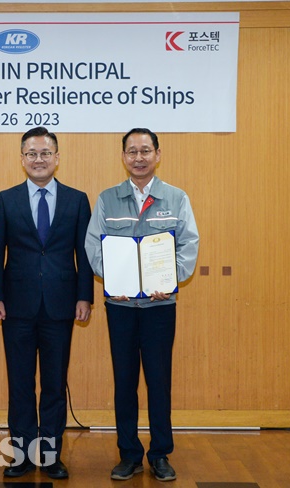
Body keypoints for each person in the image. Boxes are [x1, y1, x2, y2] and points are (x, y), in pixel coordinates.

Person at [84, 128, 199, 482]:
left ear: (157, 154)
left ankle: (160, 453)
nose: (139, 157)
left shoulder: (176, 198)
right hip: (120, 307)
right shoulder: (108, 199)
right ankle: (129, 454)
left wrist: (170, 279)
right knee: (124, 381)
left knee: (159, 381)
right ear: (123, 157)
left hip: (159, 307)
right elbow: (93, 246)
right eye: (132, 151)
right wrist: (113, 281)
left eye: (145, 150)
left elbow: (188, 245)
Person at [0, 127, 94, 480]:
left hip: (61, 306)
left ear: (57, 158)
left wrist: (84, 296)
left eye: (45, 153)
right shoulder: (6, 200)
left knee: (53, 385)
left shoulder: (77, 200)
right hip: (15, 307)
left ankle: (49, 456)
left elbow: (84, 253)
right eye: (32, 154)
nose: (39, 159)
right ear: (22, 159)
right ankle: (21, 455)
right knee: (20, 385)